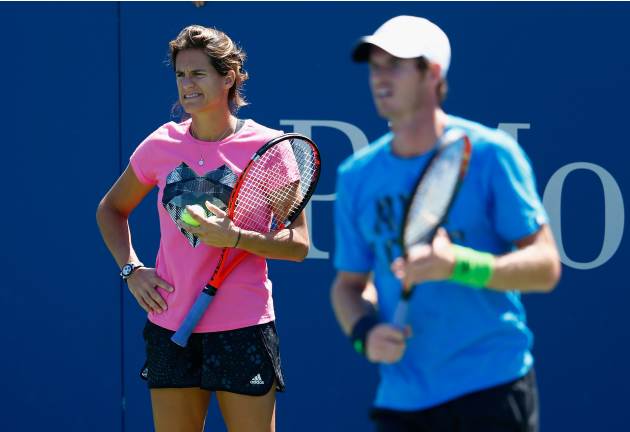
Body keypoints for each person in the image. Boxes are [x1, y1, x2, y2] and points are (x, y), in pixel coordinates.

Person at [331, 16, 561, 432]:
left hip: (491, 387)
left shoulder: (492, 154)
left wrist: (458, 265)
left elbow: (545, 266)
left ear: (432, 73)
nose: (380, 77)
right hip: (400, 400)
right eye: (375, 66)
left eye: (395, 65)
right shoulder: (356, 176)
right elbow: (348, 286)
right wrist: (365, 333)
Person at [96, 25, 309, 432]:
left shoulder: (270, 148)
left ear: (227, 77)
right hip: (169, 323)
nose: (186, 84)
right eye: (180, 75)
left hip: (243, 326)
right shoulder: (160, 145)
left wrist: (236, 238)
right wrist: (131, 270)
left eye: (198, 74)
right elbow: (110, 209)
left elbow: (298, 244)